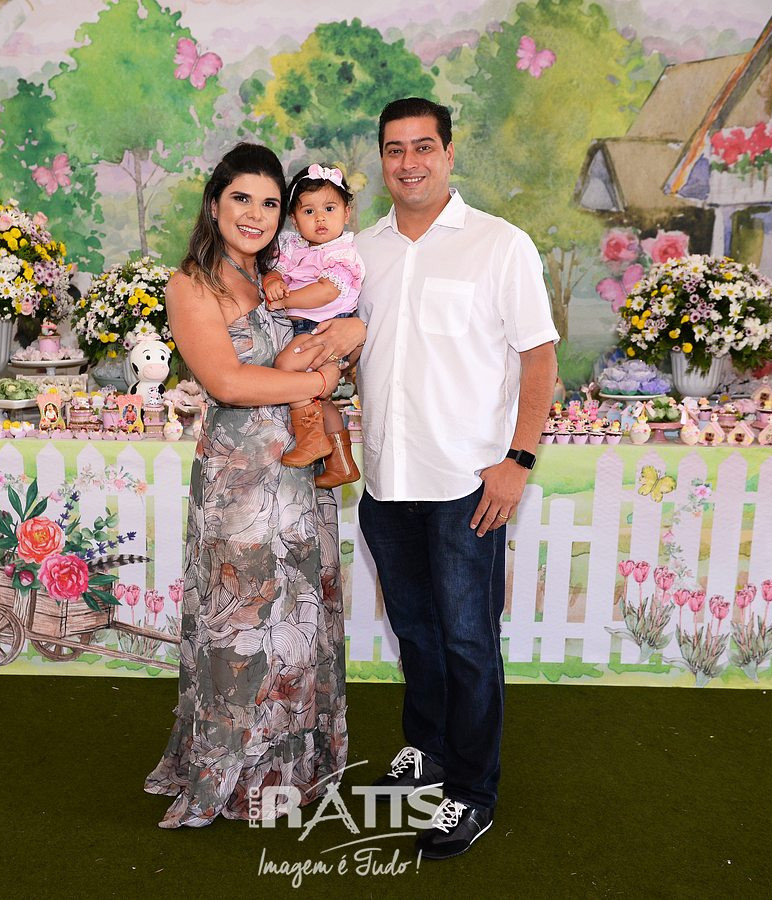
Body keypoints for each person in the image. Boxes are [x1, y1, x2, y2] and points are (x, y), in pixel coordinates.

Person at [354, 98, 559, 860]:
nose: (408, 163)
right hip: (386, 484)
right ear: (381, 159)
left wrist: (518, 462)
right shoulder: (360, 251)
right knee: (415, 633)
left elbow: (538, 358)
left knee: (468, 642)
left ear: (447, 153)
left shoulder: (499, 245)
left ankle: (472, 794)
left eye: (422, 147)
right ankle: (430, 749)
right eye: (394, 149)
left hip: (466, 485)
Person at [143, 142, 366, 829]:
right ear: (215, 203)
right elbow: (228, 382)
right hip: (240, 484)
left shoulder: (281, 276)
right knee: (239, 628)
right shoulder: (191, 285)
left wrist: (347, 338)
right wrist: (319, 380)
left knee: (297, 625)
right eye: (242, 198)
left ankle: (290, 773)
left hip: (300, 477)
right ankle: (225, 775)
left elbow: (341, 331)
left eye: (270, 203)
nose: (256, 214)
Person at [264, 164, 365, 488]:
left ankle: (313, 441)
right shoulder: (293, 247)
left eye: (329, 209)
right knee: (321, 400)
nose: (320, 218)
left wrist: (286, 300)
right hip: (307, 327)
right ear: (295, 220)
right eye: (309, 211)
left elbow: (326, 291)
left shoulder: (341, 253)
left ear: (347, 213)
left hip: (325, 329)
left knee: (286, 365)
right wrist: (273, 280)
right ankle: (341, 463)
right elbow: (274, 269)